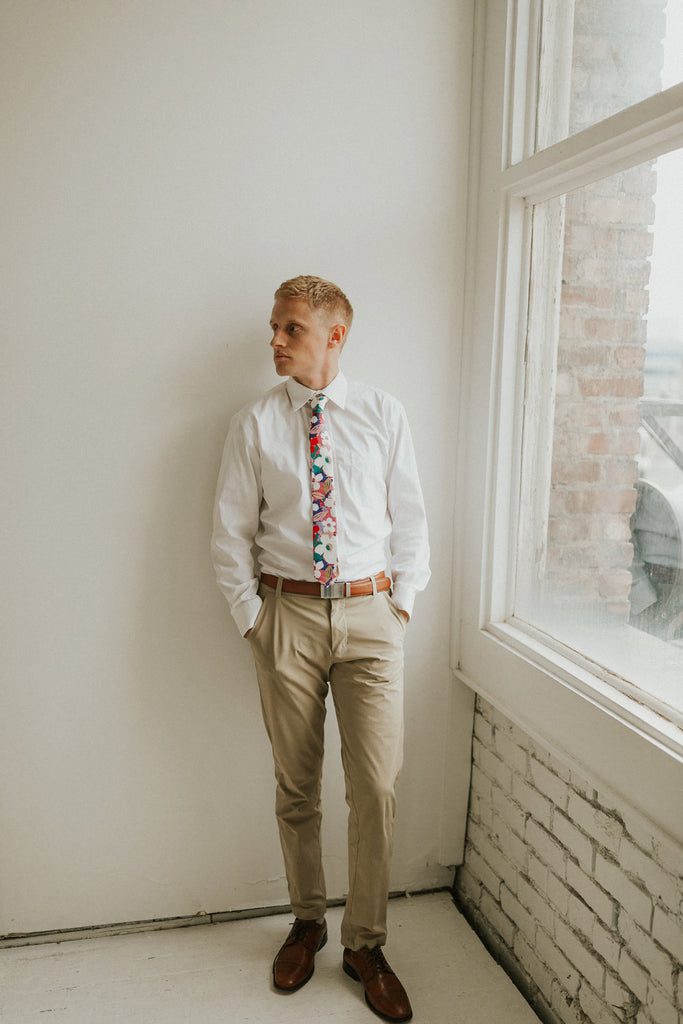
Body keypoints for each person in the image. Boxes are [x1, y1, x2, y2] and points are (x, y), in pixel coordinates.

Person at [211, 275, 430, 1023]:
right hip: (287, 617)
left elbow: (411, 523)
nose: (274, 340)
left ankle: (365, 943)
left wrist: (398, 605)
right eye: (273, 326)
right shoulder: (255, 424)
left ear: (334, 335)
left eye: (291, 328)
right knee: (295, 786)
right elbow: (228, 533)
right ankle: (307, 921)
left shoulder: (381, 413)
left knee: (375, 788)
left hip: (372, 617)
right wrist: (254, 618)